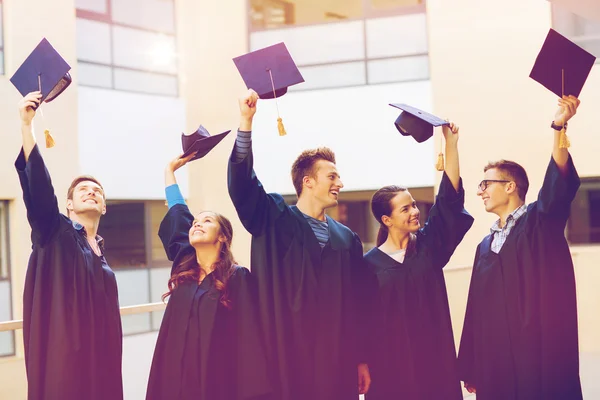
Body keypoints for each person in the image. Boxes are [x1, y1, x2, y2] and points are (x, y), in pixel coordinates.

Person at [227, 89, 373, 400]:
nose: (340, 184)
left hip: (336, 362)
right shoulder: (274, 219)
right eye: (332, 176)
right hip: (283, 358)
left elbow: (357, 307)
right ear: (308, 182)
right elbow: (242, 185)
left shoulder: (347, 241)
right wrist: (246, 122)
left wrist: (361, 358)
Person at [458, 95, 583, 400]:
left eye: (486, 184)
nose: (480, 191)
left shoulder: (539, 224)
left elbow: (557, 186)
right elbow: (475, 308)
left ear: (510, 186)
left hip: (539, 360)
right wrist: (472, 364)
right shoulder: (485, 246)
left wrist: (558, 126)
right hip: (496, 364)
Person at [16, 91, 123, 399]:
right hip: (66, 365)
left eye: (97, 192)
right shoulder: (55, 233)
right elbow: (39, 191)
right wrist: (27, 126)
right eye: (83, 190)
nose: (91, 193)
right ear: (68, 205)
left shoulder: (101, 252)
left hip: (101, 364)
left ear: (104, 207)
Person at [146, 152, 271, 400]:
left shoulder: (237, 278)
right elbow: (179, 215)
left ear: (223, 236)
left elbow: (249, 342)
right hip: (174, 381)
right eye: (195, 223)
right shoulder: (184, 270)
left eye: (207, 221)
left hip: (217, 382)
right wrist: (169, 172)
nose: (197, 224)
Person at [365, 122, 473, 400]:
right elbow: (360, 321)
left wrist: (450, 144)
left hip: (435, 362)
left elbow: (448, 202)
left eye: (413, 204)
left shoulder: (429, 246)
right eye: (406, 208)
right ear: (386, 220)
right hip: (390, 369)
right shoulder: (368, 266)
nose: (415, 211)